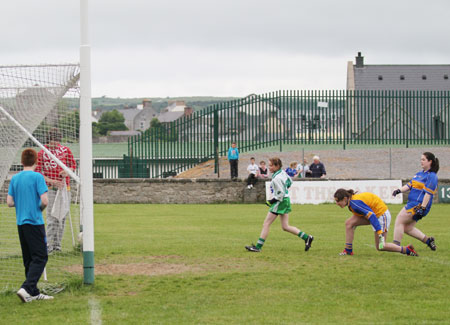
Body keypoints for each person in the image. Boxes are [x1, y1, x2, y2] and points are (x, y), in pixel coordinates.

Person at [7, 149, 54, 302]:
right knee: (40, 256)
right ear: (36, 161)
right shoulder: (37, 177)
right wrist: (38, 209)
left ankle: (33, 293)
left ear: (22, 162)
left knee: (29, 259)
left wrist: (22, 203)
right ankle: (26, 288)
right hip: (34, 222)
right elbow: (45, 201)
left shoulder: (15, 178)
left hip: (21, 223)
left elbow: (9, 202)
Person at [245, 157, 314, 252]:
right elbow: (290, 181)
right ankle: (307, 237)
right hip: (285, 200)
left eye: (271, 165)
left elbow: (280, 194)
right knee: (285, 226)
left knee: (266, 223)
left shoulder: (276, 178)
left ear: (277, 166)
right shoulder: (282, 172)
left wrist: (272, 200)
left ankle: (258, 247)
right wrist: (284, 190)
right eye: (269, 165)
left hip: (280, 201)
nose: (269, 167)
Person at [334, 189, 418, 256]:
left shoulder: (354, 203)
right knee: (349, 223)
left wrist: (379, 232)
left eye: (338, 201)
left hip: (381, 215)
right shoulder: (351, 202)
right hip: (375, 214)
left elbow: (372, 216)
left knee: (381, 246)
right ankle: (348, 250)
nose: (337, 204)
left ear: (345, 199)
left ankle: (406, 250)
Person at [35, 128, 76, 253]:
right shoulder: (42, 153)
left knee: (62, 216)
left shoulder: (65, 150)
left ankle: (58, 245)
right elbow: (38, 172)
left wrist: (67, 171)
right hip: (51, 189)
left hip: (65, 188)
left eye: (57, 141)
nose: (55, 144)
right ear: (48, 140)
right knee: (52, 217)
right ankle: (48, 246)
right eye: (53, 141)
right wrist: (52, 181)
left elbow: (73, 165)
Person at [391, 152, 439, 252]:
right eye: (420, 159)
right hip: (413, 204)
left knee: (399, 220)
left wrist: (422, 208)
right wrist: (399, 190)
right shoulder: (419, 174)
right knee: (408, 227)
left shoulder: (432, 176)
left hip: (418, 205)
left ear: (430, 161)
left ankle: (396, 246)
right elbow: (409, 185)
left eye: (423, 159)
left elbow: (428, 194)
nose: (421, 161)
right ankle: (428, 241)